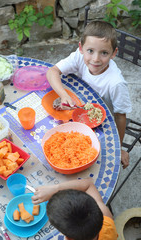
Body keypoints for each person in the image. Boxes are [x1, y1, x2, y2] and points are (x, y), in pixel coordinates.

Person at [46, 20, 132, 169]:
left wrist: (119, 147)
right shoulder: (79, 57)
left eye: (104, 53)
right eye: (90, 51)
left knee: (88, 160)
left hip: (102, 124)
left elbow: (120, 116)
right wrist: (64, 96)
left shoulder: (116, 83)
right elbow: (52, 71)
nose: (96, 59)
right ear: (81, 48)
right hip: (79, 107)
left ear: (114, 53)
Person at [31, 178, 118, 240]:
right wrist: (55, 189)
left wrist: (55, 188)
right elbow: (88, 184)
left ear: (68, 238)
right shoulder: (107, 219)